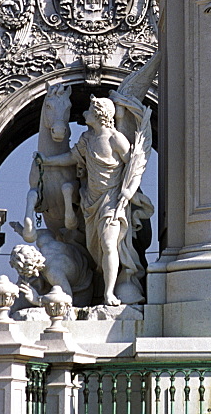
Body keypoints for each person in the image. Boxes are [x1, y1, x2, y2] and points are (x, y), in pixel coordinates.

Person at [41, 96, 150, 306]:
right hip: (90, 203)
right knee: (96, 249)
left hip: (112, 200)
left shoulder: (116, 139)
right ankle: (103, 286)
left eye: (89, 110)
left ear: (100, 114)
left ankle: (109, 293)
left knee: (110, 245)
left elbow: (135, 167)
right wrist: (47, 162)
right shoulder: (87, 139)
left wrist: (128, 192)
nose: (84, 114)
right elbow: (71, 158)